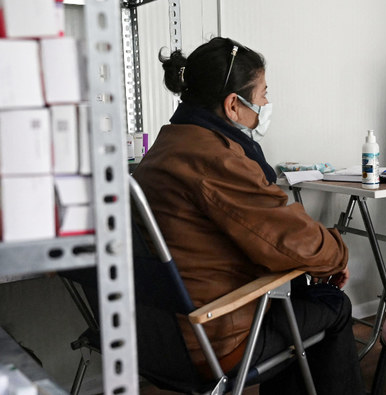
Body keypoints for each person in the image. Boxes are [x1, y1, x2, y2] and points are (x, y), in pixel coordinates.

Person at [132, 37, 365, 395]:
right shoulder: (217, 159)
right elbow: (290, 243)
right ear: (232, 105)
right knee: (333, 305)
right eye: (262, 95)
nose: (266, 104)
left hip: (156, 336)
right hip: (212, 340)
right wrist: (338, 254)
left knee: (297, 300)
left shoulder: (167, 146)